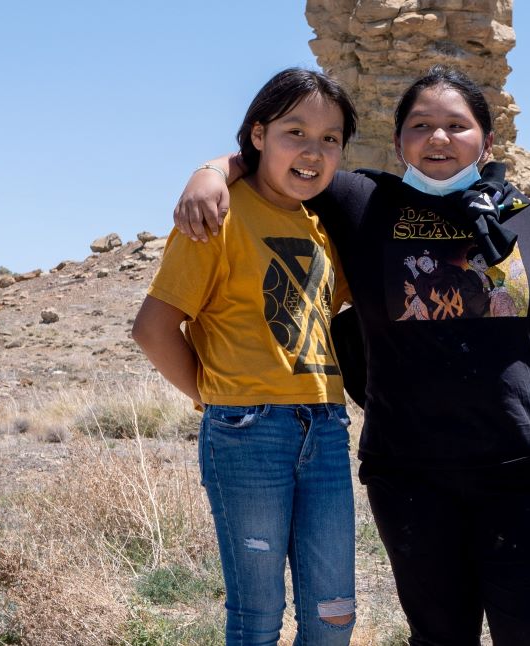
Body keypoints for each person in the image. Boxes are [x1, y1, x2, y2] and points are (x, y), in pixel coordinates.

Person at [172, 66, 530, 645]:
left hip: (523, 470)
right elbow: (285, 159)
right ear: (398, 143)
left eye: (456, 125)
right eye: (420, 125)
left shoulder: (523, 217)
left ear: (487, 142)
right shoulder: (360, 200)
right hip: (411, 474)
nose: (438, 138)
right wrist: (212, 170)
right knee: (439, 636)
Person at [132, 68, 359, 646]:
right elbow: (154, 328)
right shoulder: (218, 214)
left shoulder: (324, 226)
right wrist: (214, 397)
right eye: (295, 132)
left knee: (334, 614)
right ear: (258, 135)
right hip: (249, 430)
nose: (313, 151)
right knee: (257, 618)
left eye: (330, 138)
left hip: (327, 426)